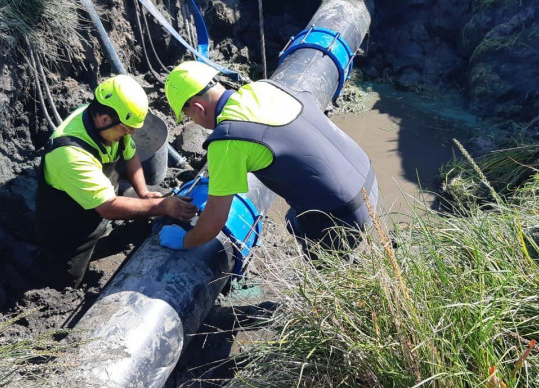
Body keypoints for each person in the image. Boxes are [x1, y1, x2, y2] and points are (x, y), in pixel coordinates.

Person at [159, 61, 378, 254]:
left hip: (343, 217)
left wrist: (186, 240)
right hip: (368, 180)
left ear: (198, 108)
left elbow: (213, 223)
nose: (194, 123)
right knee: (295, 219)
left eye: (189, 117)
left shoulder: (227, 141)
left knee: (311, 243)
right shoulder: (264, 87)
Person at [36, 75, 197, 287]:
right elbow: (108, 208)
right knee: (67, 282)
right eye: (127, 129)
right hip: (70, 223)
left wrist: (143, 193)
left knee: (156, 198)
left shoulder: (111, 122)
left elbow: (130, 155)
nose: (130, 134)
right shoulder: (70, 154)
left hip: (103, 195)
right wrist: (161, 206)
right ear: (104, 120)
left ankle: (113, 233)